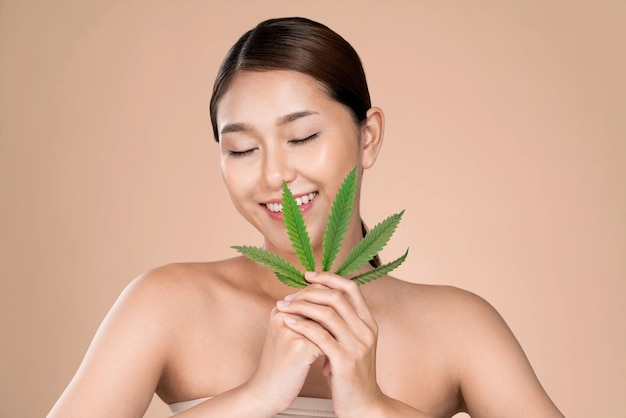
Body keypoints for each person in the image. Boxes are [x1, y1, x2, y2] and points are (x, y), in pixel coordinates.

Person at [48, 17, 564, 418]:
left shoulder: (458, 329)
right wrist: (255, 396)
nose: (275, 175)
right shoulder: (166, 305)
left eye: (302, 138)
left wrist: (371, 406)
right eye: (243, 149)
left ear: (369, 137)